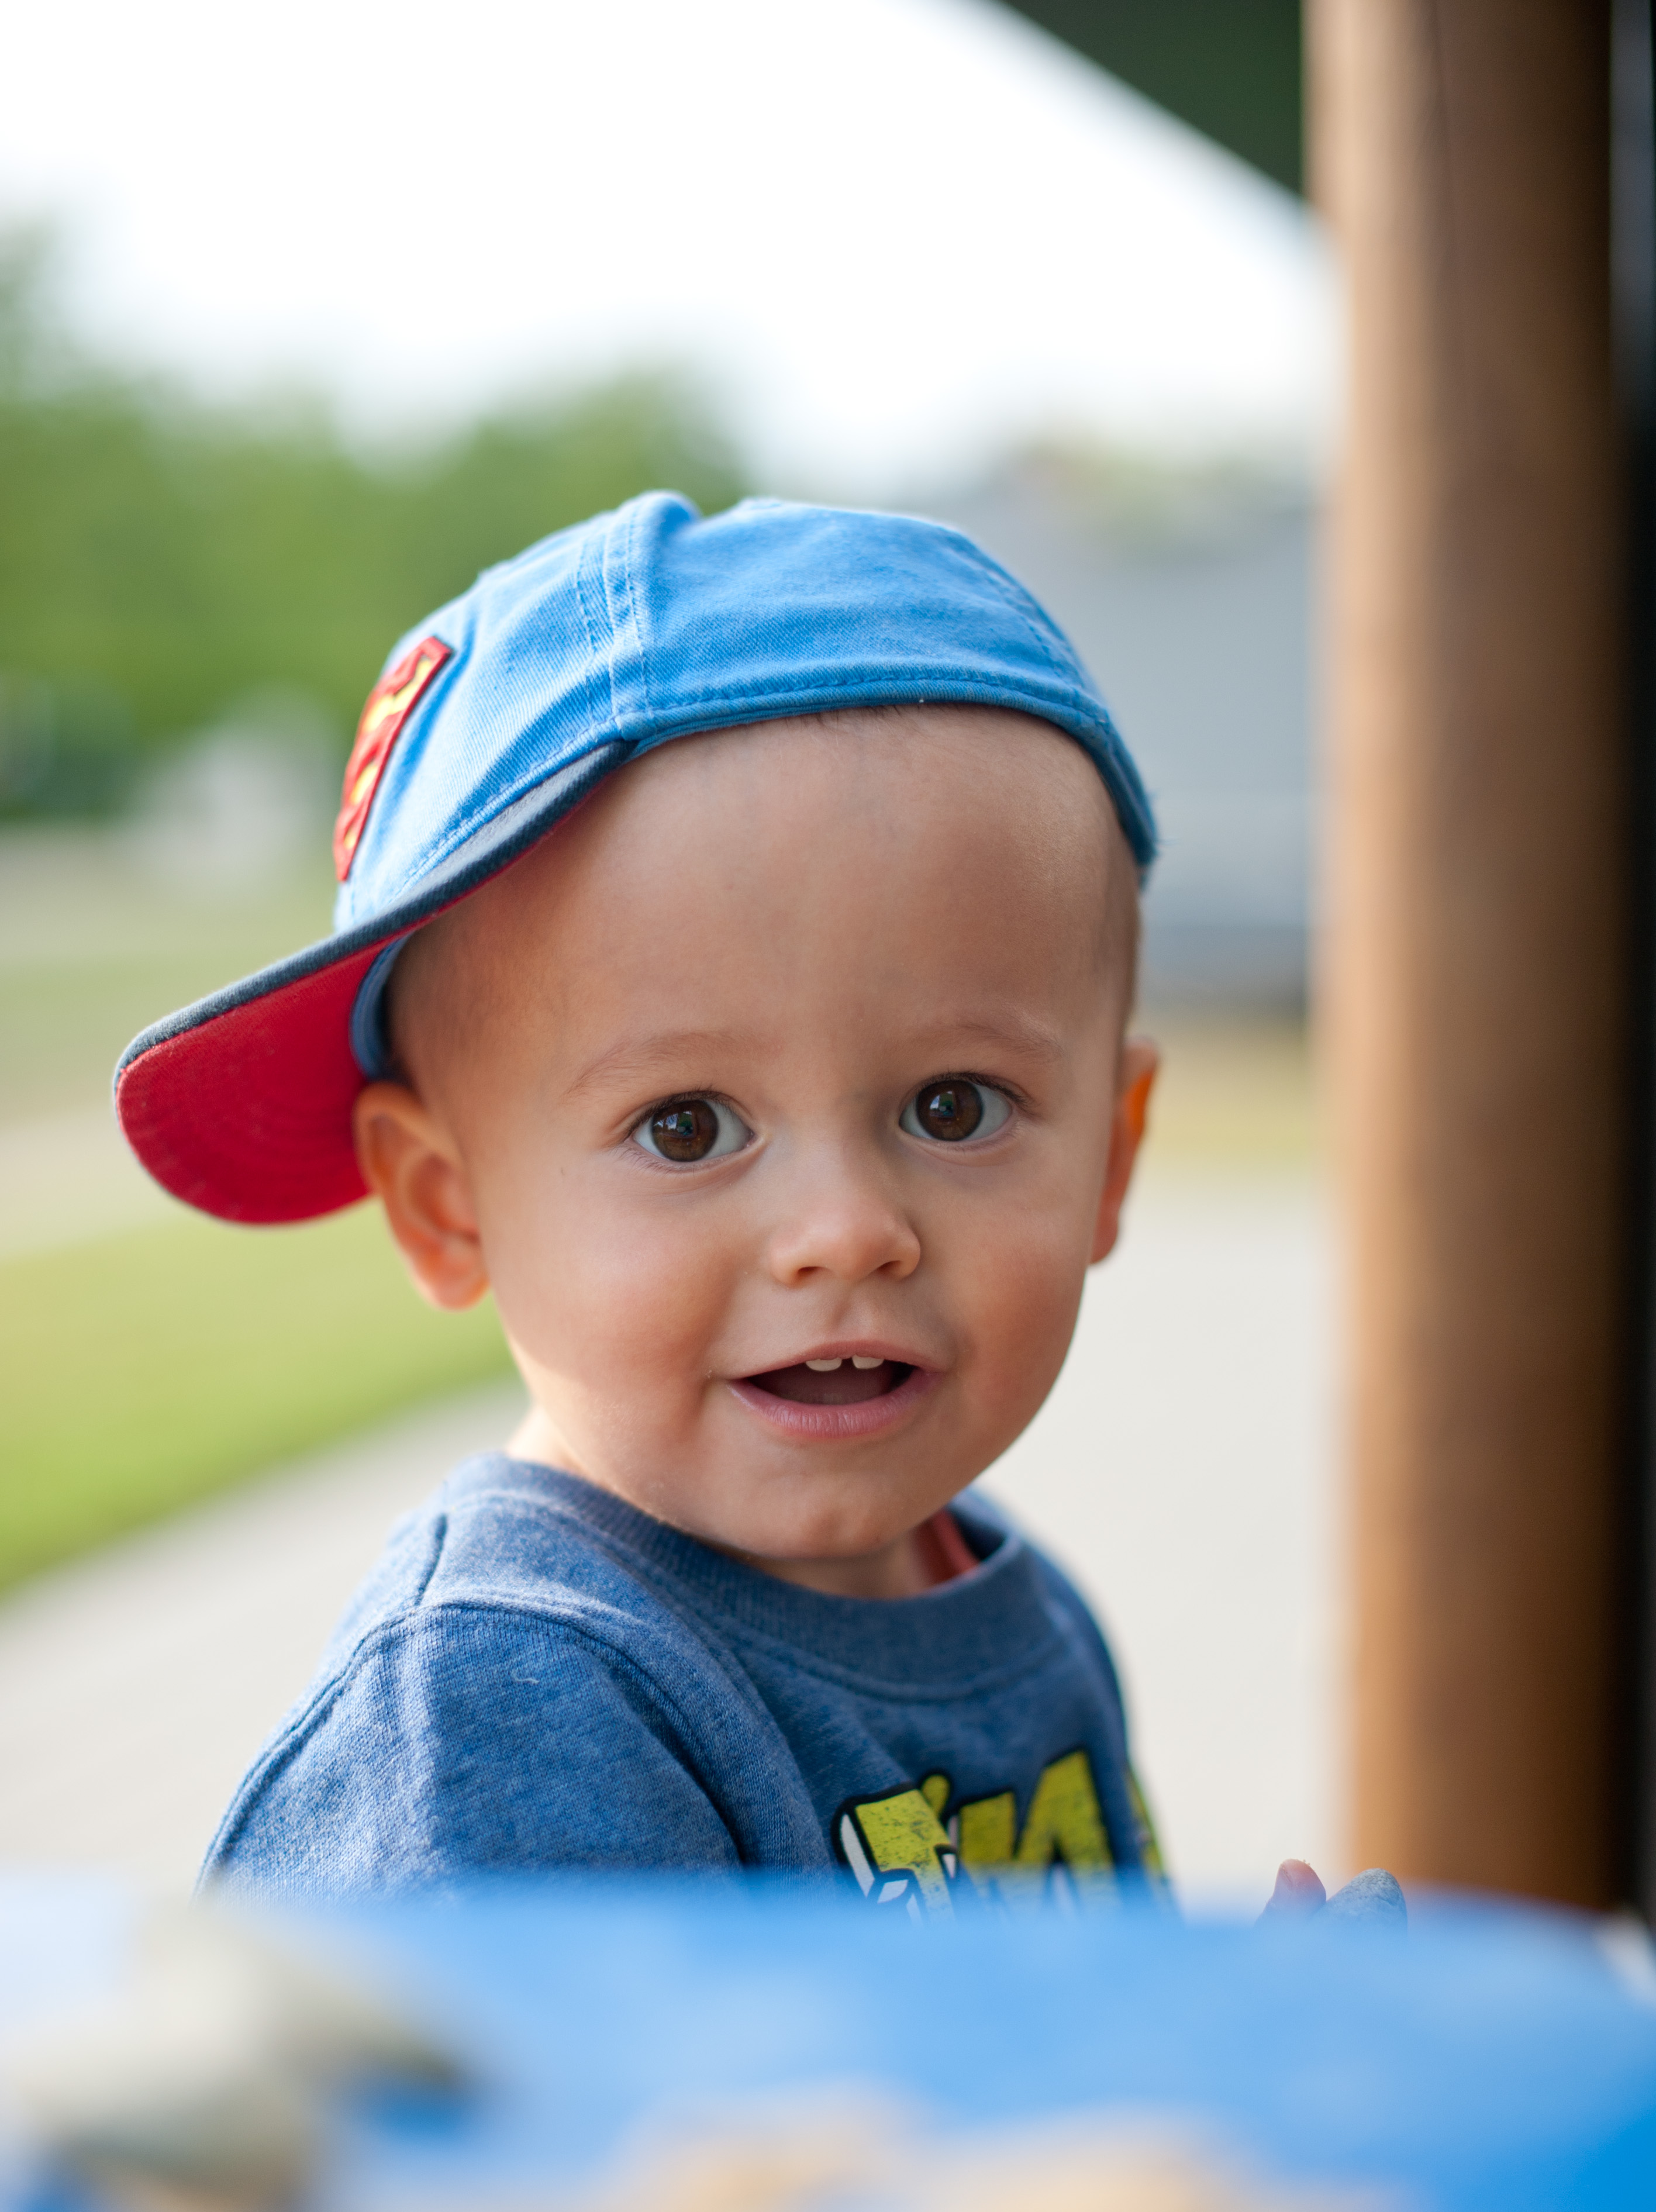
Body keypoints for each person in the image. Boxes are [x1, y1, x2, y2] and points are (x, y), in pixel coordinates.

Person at [116, 493, 1366, 1923]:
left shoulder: (1010, 1602)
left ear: (1112, 1158)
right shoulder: (502, 1721)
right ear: (446, 1205)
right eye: (687, 1126)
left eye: (954, 1106)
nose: (846, 1230)